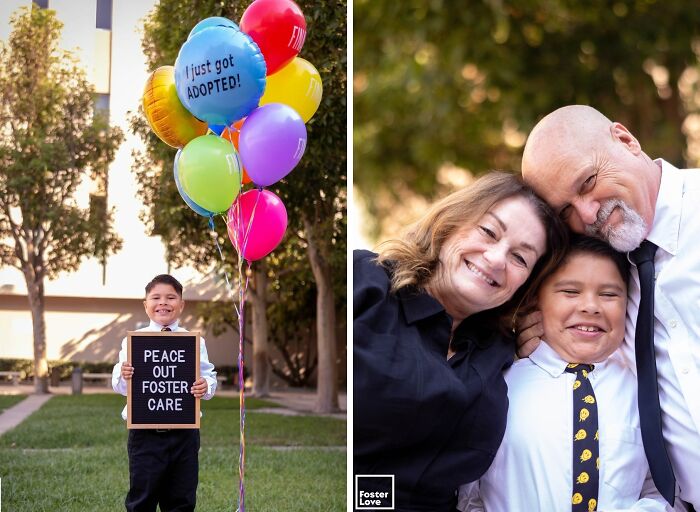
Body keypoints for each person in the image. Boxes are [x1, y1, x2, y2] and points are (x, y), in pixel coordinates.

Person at [354, 171, 568, 511]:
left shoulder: (500, 351)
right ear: (452, 221)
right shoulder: (365, 282)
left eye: (520, 258)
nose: (497, 259)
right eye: (488, 232)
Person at [519, 104, 699, 509]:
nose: (586, 214)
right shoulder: (603, 280)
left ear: (626, 140)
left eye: (588, 181)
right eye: (565, 211)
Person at [457, 235, 671, 512]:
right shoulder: (497, 387)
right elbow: (466, 493)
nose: (590, 306)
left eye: (609, 294)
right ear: (536, 300)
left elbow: (663, 486)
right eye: (570, 292)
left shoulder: (647, 392)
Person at [111, 274, 217, 512]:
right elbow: (121, 388)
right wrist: (124, 374)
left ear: (181, 304)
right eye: (156, 297)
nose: (163, 303)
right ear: (145, 304)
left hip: (185, 433)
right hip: (144, 434)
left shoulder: (193, 341)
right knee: (142, 499)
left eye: (171, 297)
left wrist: (206, 386)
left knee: (181, 500)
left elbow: (209, 376)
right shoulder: (134, 342)